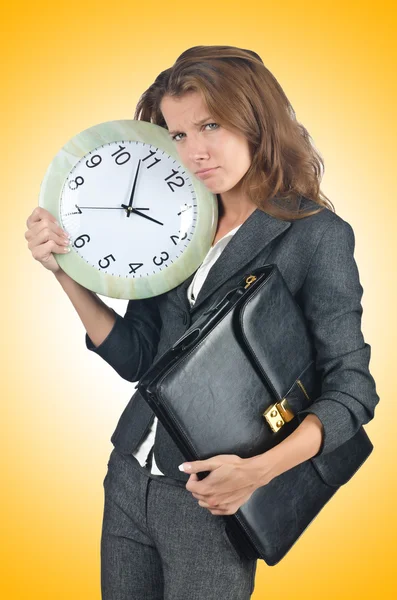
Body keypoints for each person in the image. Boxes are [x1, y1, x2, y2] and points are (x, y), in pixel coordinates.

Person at [25, 45, 379, 599]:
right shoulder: (176, 217)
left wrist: (258, 471)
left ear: (254, 119)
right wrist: (63, 272)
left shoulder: (316, 236)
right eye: (178, 134)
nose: (193, 152)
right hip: (128, 478)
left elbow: (352, 391)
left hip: (212, 501)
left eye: (209, 125)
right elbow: (141, 359)